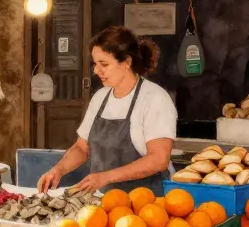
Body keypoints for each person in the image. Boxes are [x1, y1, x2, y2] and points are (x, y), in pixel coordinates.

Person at [38, 26, 176, 194]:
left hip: (148, 202)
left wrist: (105, 177)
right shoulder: (100, 97)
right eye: (95, 64)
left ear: (126, 62)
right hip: (104, 201)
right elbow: (82, 147)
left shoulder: (155, 98)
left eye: (104, 64)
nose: (96, 71)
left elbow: (158, 159)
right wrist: (58, 169)